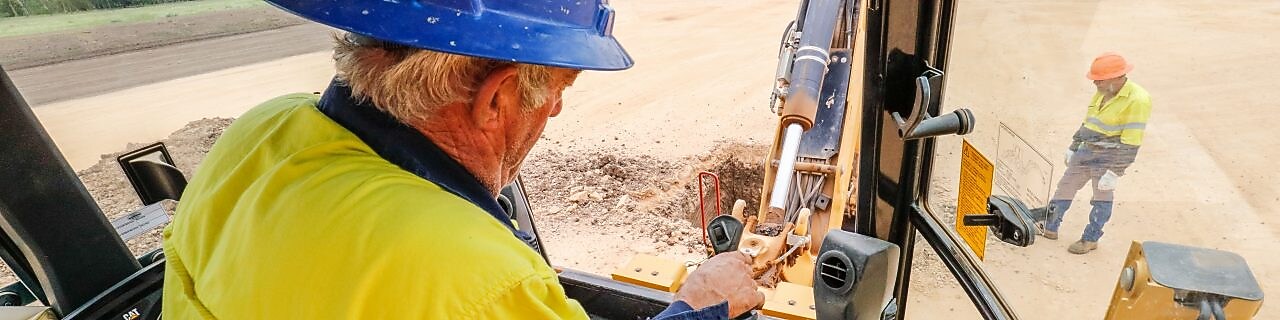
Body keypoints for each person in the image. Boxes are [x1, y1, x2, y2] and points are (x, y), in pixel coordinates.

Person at [160, 0, 764, 318]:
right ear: (497, 98)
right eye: (561, 89)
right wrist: (695, 312)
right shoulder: (474, 277)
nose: (553, 111)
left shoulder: (260, 131)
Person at [1043, 52, 1152, 255]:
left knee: (1101, 199)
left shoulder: (1138, 100)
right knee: (1064, 189)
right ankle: (1049, 226)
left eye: (1099, 80)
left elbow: (1131, 141)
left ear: (1117, 77)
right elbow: (1090, 121)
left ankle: (1090, 239)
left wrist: (1114, 173)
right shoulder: (1105, 90)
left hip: (1109, 156)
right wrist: (1074, 145)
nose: (1095, 84)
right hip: (1087, 150)